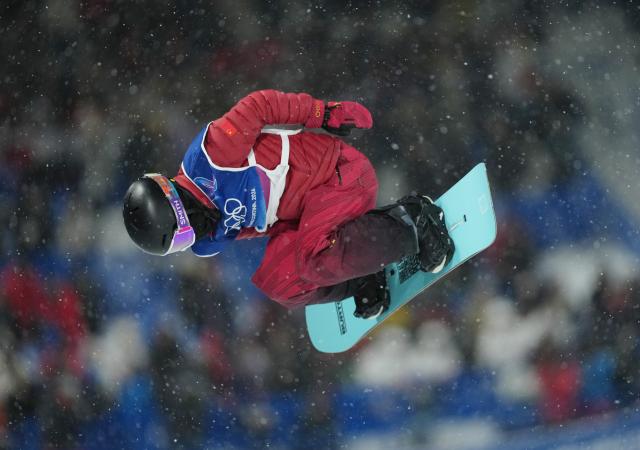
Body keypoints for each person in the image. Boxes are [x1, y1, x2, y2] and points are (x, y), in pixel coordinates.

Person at [122, 90, 454, 319]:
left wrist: (323, 113)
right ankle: (367, 277)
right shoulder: (209, 235)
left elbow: (259, 105)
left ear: (178, 207)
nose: (191, 242)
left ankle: (412, 219)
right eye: (179, 247)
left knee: (312, 258)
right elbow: (269, 223)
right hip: (312, 214)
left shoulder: (212, 158)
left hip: (338, 174)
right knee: (278, 282)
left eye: (181, 236)